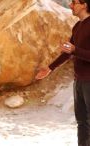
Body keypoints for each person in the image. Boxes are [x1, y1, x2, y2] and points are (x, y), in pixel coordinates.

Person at [35, 0, 90, 145]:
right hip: (78, 81)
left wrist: (75, 50)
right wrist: (50, 68)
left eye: (74, 2)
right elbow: (68, 52)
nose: (71, 5)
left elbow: (73, 50)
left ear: (84, 4)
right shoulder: (77, 26)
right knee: (82, 122)